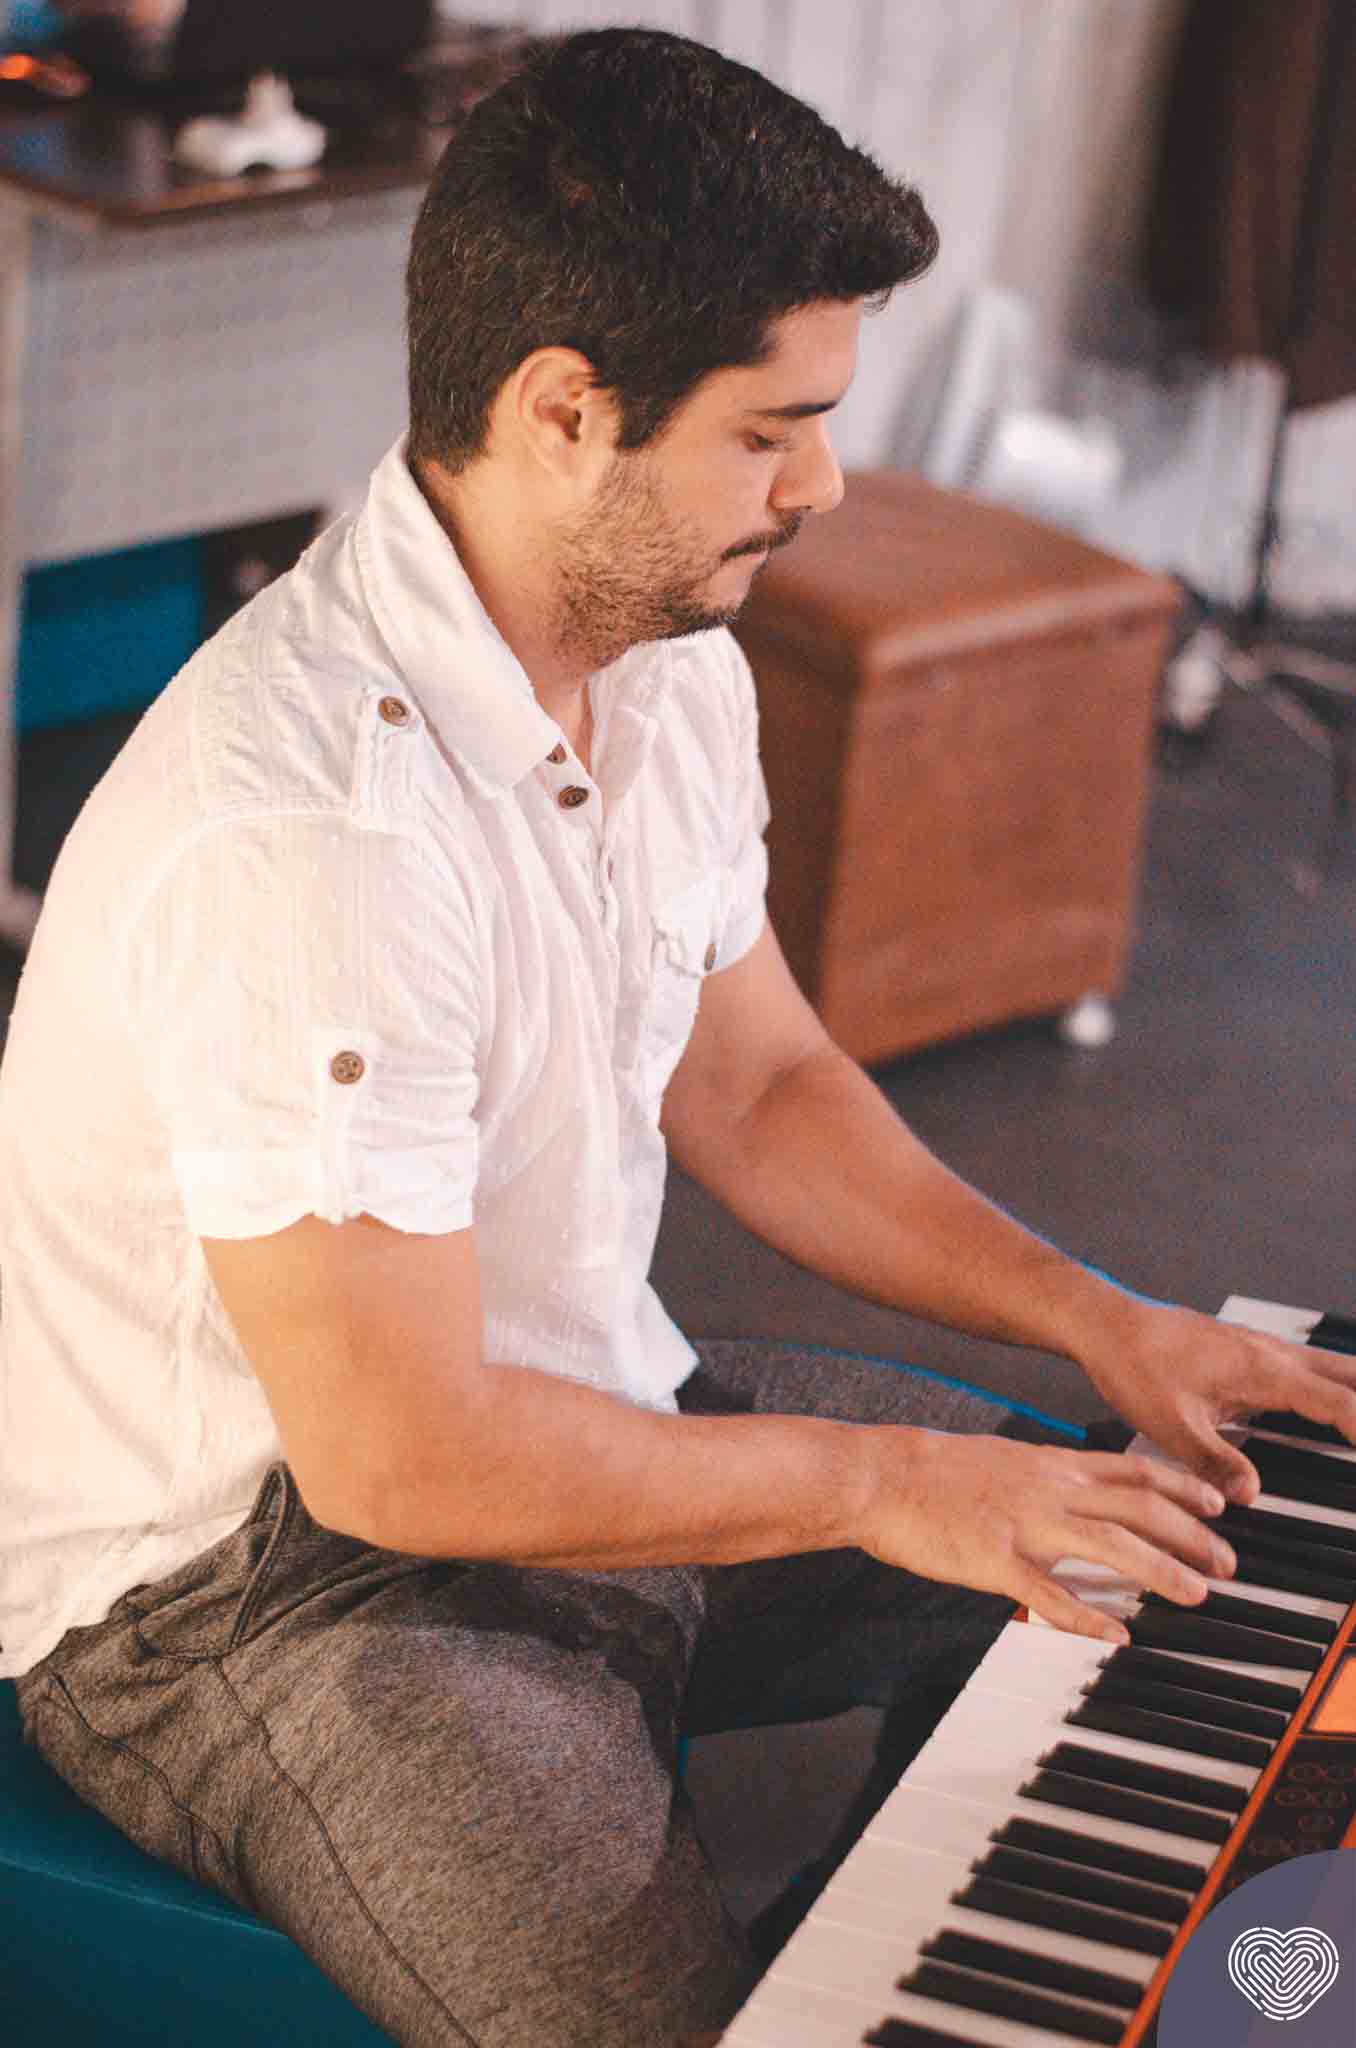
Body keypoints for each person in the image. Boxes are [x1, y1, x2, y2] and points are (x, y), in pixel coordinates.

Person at [2, 27, 1354, 2048]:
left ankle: (880, 1943)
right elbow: (395, 1456)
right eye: (771, 431)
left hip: (562, 1403)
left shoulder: (655, 651)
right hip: (254, 1590)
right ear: (563, 410)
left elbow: (761, 1082)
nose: (824, 485)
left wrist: (1104, 1320)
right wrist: (876, 1482)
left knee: (1161, 1582)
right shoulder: (314, 834)